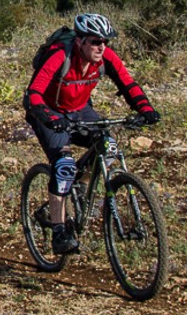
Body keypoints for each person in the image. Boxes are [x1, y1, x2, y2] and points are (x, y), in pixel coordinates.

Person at [23, 13, 160, 255]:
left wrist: (146, 109)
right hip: (47, 111)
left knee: (109, 148)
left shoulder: (106, 57)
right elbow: (34, 92)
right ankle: (59, 230)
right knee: (63, 165)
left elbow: (128, 84)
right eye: (96, 41)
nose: (102, 47)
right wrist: (51, 118)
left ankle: (78, 185)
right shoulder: (60, 55)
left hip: (80, 110)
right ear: (80, 41)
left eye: (105, 42)